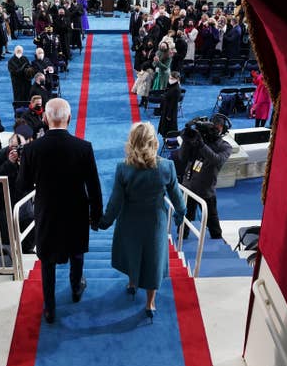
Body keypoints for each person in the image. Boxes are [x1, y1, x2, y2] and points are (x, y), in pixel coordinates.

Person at [17, 98, 103, 324]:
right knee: (76, 253)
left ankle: (50, 309)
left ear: (45, 118)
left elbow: (23, 185)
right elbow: (94, 186)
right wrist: (96, 217)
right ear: (69, 118)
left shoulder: (31, 149)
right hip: (76, 212)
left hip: (47, 212)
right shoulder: (84, 147)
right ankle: (76, 289)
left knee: (47, 260)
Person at [98, 122, 186, 321]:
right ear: (153, 141)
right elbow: (177, 196)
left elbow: (115, 201)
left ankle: (131, 284)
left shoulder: (123, 168)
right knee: (153, 259)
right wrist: (181, 213)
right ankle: (150, 303)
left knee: (132, 251)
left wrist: (105, 222)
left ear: (133, 142)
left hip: (129, 220)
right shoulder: (167, 166)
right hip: (155, 221)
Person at [177, 115, 232, 240]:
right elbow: (182, 157)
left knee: (212, 222)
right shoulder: (198, 139)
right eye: (214, 125)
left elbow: (216, 160)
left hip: (206, 190)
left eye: (218, 126)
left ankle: (218, 242)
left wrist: (201, 145)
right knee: (185, 219)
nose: (215, 129)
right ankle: (182, 238)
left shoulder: (225, 146)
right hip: (189, 187)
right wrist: (186, 140)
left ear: (223, 130)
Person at [158, 71, 181, 137]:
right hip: (166, 108)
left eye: (172, 79)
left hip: (170, 111)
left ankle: (171, 141)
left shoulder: (176, 89)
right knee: (165, 127)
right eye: (170, 78)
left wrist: (169, 115)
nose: (170, 80)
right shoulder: (171, 85)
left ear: (177, 79)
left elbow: (173, 104)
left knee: (169, 127)